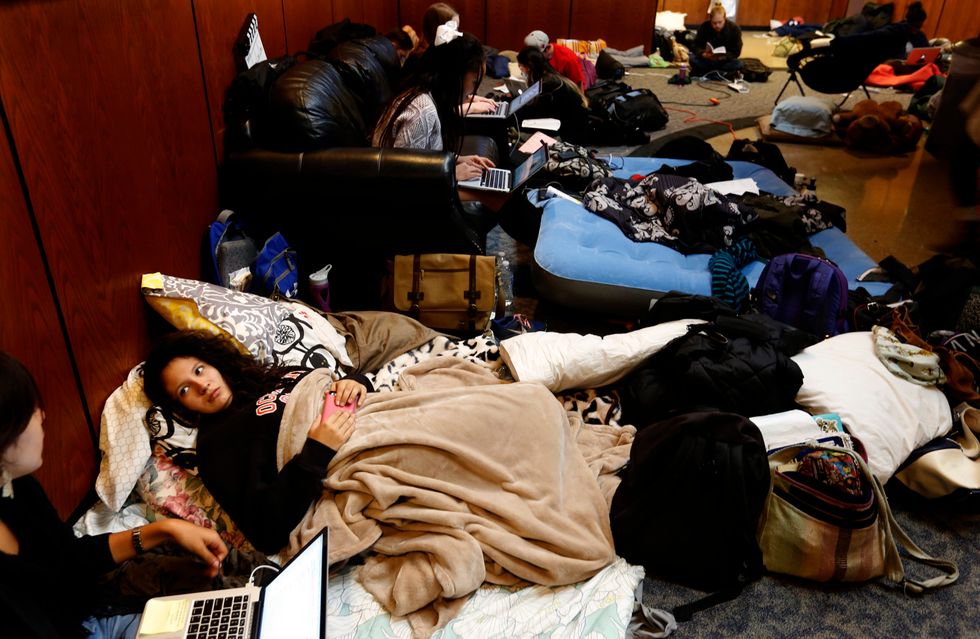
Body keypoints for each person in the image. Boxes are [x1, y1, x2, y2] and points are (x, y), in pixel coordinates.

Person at [0, 350, 228, 639]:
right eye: (30, 411)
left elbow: (70, 558)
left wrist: (166, 530)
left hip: (95, 614)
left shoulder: (16, 486)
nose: (42, 416)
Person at [142, 330, 369, 555]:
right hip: (352, 465)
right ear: (181, 407)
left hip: (370, 418)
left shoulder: (271, 374)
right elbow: (265, 533)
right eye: (184, 390)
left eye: (199, 370)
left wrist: (354, 384)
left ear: (212, 361)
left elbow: (331, 386)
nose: (202, 385)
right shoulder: (214, 446)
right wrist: (317, 451)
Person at [373, 25, 497, 185]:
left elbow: (425, 156)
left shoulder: (426, 94)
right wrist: (450, 173)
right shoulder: (421, 111)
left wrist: (455, 160)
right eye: (474, 82)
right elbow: (403, 178)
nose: (475, 91)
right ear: (454, 76)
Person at [516, 46, 592, 144]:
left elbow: (536, 111)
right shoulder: (549, 76)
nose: (520, 70)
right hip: (575, 125)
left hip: (572, 134)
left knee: (518, 124)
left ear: (529, 67)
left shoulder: (548, 84)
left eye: (520, 66)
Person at [690, 2, 744, 79]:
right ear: (710, 20)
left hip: (724, 61)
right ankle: (721, 73)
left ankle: (709, 72)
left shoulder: (734, 29)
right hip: (707, 60)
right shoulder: (704, 27)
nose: (717, 25)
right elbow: (695, 45)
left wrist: (722, 57)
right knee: (692, 60)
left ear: (725, 19)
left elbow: (736, 51)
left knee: (739, 64)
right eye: (714, 23)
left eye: (720, 22)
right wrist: (703, 54)